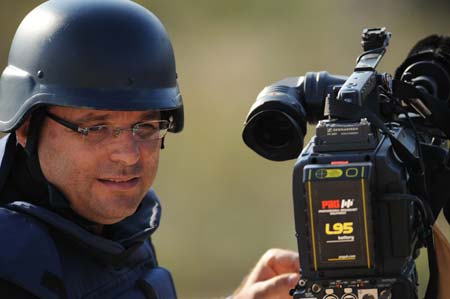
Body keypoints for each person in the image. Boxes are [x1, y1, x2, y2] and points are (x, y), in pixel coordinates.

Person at [0, 0, 299, 298]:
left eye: (145, 126)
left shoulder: (119, 228)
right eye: (96, 128)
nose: (129, 154)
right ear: (27, 127)